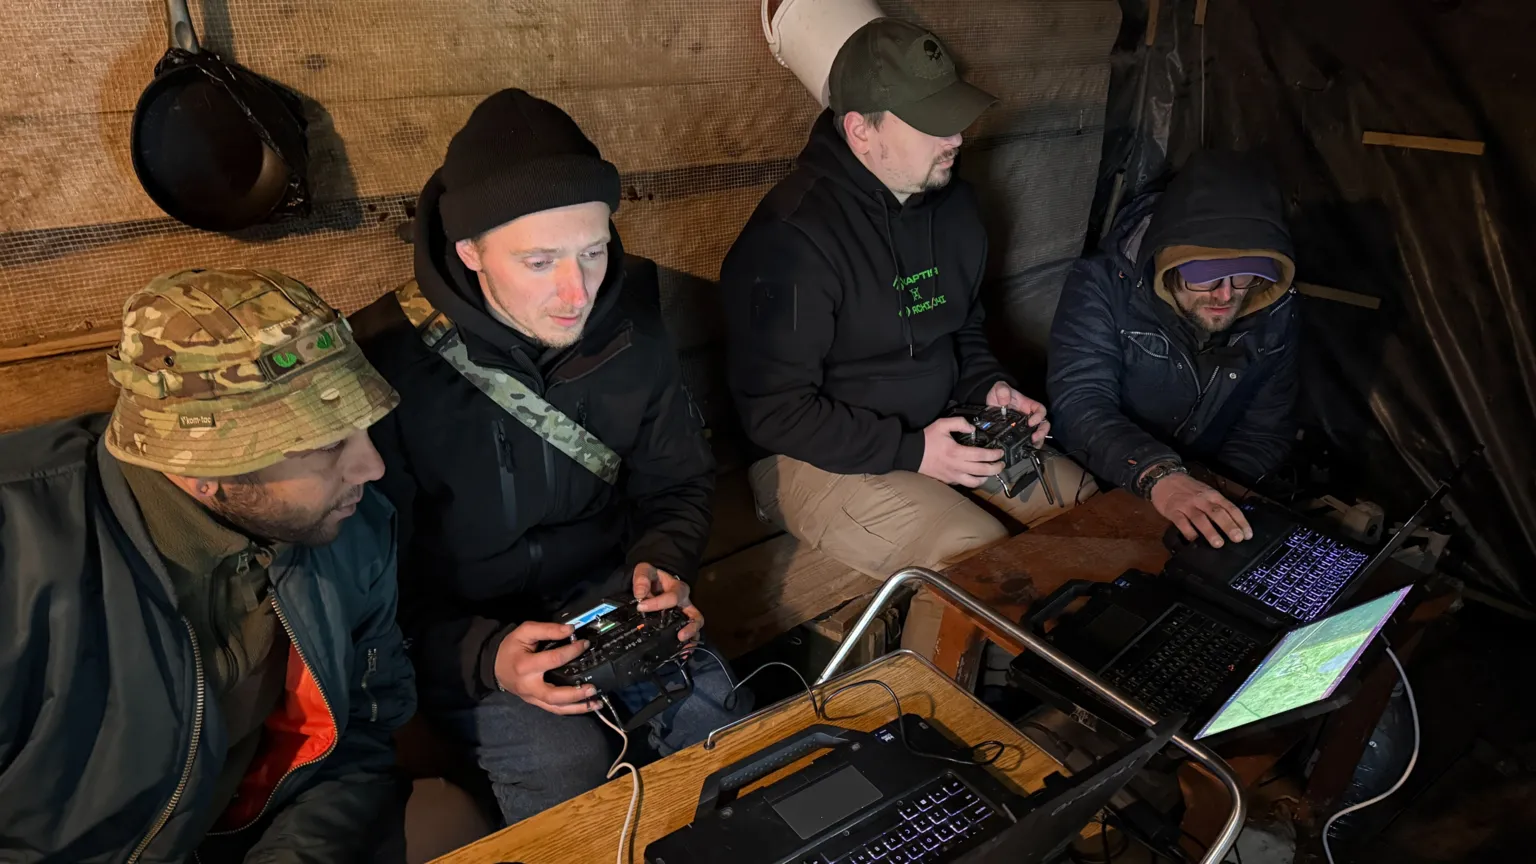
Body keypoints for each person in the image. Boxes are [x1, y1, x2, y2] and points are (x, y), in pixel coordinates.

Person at [351, 88, 742, 826]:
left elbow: (679, 481)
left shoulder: (632, 325)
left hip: (605, 599)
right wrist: (484, 656)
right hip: (468, 636)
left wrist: (664, 562)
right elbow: (370, 590)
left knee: (717, 721)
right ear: (470, 252)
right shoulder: (386, 362)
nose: (577, 293)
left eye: (593, 253)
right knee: (565, 768)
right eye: (538, 262)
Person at [0, 269, 414, 863]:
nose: (370, 467)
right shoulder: (18, 550)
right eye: (325, 445)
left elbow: (358, 736)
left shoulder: (352, 529)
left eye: (363, 426)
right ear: (204, 465)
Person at [720, 18, 1095, 656]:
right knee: (974, 556)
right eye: (930, 121)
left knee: (1084, 508)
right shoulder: (791, 241)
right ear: (861, 129)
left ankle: (1089, 696)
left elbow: (965, 327)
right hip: (810, 456)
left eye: (954, 115)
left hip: (936, 426)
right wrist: (912, 452)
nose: (955, 136)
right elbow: (774, 413)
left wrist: (992, 389)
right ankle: (929, 732)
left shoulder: (951, 205)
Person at [1047, 151, 1300, 548]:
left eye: (1244, 278)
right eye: (1206, 278)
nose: (1224, 295)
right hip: (1102, 476)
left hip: (1197, 489)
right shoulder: (1102, 286)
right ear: (1167, 263)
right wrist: (1160, 476)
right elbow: (1079, 402)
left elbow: (1265, 429)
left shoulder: (1275, 309)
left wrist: (1216, 506)